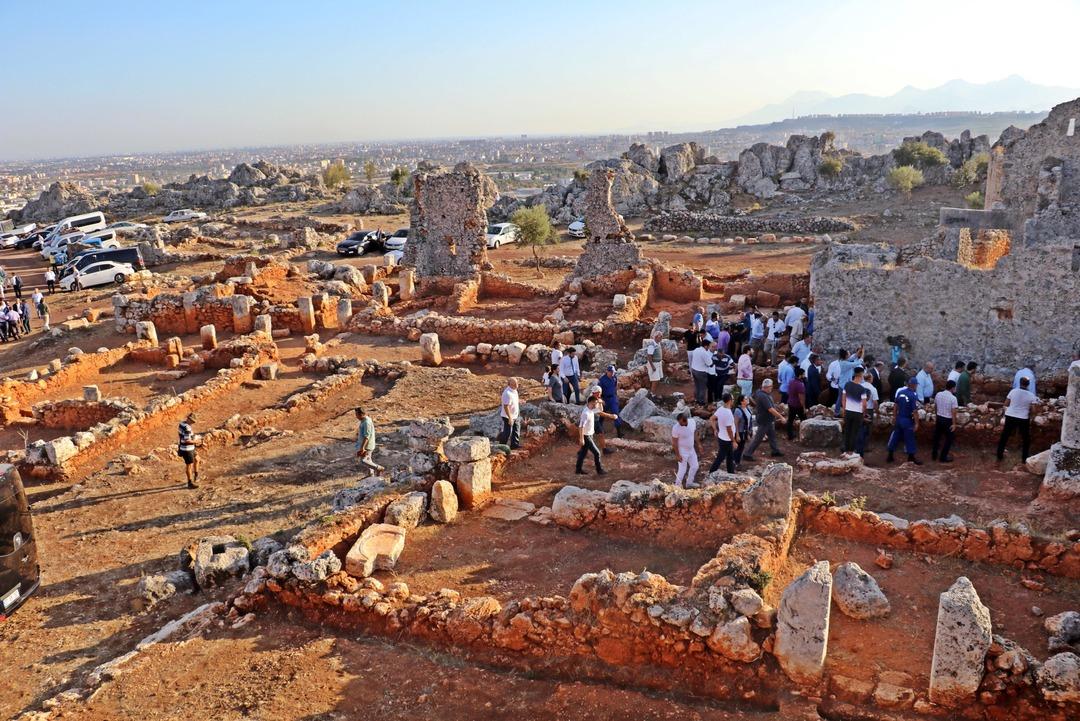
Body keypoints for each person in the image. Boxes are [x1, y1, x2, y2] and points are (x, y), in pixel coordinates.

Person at [997, 376, 1038, 462]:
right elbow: (1034, 410)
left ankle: (999, 454)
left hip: (1010, 416)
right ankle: (1024, 458)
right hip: (1023, 418)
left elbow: (1006, 404)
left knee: (1005, 435)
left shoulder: (1013, 391)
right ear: (1028, 385)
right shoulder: (1031, 395)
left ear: (1019, 383)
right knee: (1025, 438)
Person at [743, 379, 785, 461]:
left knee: (772, 436)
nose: (772, 388)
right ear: (767, 387)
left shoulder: (759, 392)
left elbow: (752, 398)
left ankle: (775, 451)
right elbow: (770, 409)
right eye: (771, 387)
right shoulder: (763, 396)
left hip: (767, 420)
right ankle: (747, 454)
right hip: (764, 420)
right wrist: (781, 417)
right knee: (758, 438)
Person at [886, 377, 923, 465]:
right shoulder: (913, 395)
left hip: (899, 418)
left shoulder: (900, 392)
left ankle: (890, 456)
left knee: (895, 437)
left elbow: (895, 406)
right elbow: (914, 411)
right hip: (907, 420)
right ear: (914, 385)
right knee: (909, 438)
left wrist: (894, 417)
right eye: (916, 384)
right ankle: (911, 457)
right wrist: (917, 423)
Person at [576, 395, 615, 476]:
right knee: (597, 453)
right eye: (596, 403)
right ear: (592, 402)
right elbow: (581, 426)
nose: (597, 404)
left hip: (590, 435)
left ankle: (578, 470)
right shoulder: (586, 413)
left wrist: (611, 416)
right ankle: (599, 470)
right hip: (587, 436)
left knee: (583, 453)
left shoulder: (591, 410)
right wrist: (582, 439)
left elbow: (600, 412)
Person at [840, 367, 869, 454]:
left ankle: (845, 448)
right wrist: (864, 414)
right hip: (857, 413)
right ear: (861, 375)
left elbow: (843, 399)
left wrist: (844, 410)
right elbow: (864, 404)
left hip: (848, 411)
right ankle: (851, 451)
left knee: (847, 431)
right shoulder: (862, 389)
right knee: (854, 432)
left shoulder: (847, 384)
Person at [709, 393, 738, 474]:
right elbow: (729, 430)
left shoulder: (721, 409)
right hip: (727, 440)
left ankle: (731, 473)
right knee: (721, 457)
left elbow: (712, 419)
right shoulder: (728, 413)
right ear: (729, 401)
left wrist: (715, 429)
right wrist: (734, 441)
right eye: (732, 399)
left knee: (730, 456)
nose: (733, 401)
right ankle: (711, 472)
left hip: (722, 437)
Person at [671, 412, 702, 488]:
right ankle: (677, 486)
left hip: (691, 450)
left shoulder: (692, 422)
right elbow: (674, 443)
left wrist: (699, 444)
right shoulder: (676, 428)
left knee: (695, 466)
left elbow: (694, 433)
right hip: (682, 451)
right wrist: (678, 455)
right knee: (682, 469)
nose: (679, 424)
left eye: (681, 422)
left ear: (686, 420)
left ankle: (689, 483)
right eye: (678, 422)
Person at [931, 380, 959, 463]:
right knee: (949, 439)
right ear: (953, 388)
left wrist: (937, 416)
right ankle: (943, 457)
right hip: (947, 420)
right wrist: (954, 424)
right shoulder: (953, 398)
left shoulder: (938, 394)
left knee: (937, 437)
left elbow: (935, 406)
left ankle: (934, 454)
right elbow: (953, 412)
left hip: (939, 418)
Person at [855, 366, 879, 456]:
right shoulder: (873, 389)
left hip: (858, 409)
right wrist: (877, 411)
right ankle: (865, 446)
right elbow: (875, 402)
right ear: (870, 379)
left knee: (858, 428)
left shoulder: (859, 386)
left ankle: (857, 446)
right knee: (868, 429)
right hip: (869, 410)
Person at [598, 365, 624, 441]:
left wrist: (616, 397)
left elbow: (615, 387)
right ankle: (599, 430)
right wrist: (600, 400)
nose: (612, 373)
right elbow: (598, 390)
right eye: (611, 372)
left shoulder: (614, 378)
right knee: (602, 414)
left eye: (613, 372)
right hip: (605, 399)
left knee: (616, 414)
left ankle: (619, 433)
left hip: (612, 398)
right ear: (607, 371)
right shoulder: (602, 380)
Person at [178, 412, 200, 488]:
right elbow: (187, 440)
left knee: (197, 459)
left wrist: (192, 436)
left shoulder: (182, 424)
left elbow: (183, 436)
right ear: (189, 419)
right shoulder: (187, 428)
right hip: (187, 449)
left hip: (188, 448)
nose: (193, 422)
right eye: (193, 421)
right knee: (189, 465)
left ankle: (196, 476)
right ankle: (190, 483)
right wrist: (196, 441)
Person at [499, 377, 522, 449]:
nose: (517, 385)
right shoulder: (507, 393)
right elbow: (506, 406)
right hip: (508, 416)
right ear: (510, 384)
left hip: (515, 414)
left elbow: (514, 400)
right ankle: (501, 446)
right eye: (515, 384)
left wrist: (520, 401)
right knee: (507, 432)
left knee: (516, 430)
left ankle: (514, 445)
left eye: (517, 383)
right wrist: (510, 418)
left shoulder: (514, 391)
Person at [690, 339, 714, 404]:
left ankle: (696, 399)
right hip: (701, 372)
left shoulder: (696, 350)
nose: (709, 348)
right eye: (709, 346)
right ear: (706, 346)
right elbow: (710, 364)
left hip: (694, 370)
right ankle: (701, 402)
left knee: (697, 386)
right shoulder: (704, 353)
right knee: (703, 387)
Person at [733, 394, 753, 469]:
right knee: (738, 447)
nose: (747, 400)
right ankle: (735, 462)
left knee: (741, 447)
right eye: (745, 399)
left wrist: (748, 433)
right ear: (741, 401)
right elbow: (736, 423)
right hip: (740, 432)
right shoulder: (738, 411)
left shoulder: (747, 408)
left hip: (745, 432)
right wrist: (737, 435)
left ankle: (736, 461)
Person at [786, 366, 807, 440]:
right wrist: (804, 407)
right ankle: (805, 435)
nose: (804, 376)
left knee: (790, 420)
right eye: (804, 374)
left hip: (790, 403)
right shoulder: (800, 384)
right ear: (800, 375)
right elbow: (801, 398)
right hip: (798, 405)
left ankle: (790, 435)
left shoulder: (791, 381)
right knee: (804, 420)